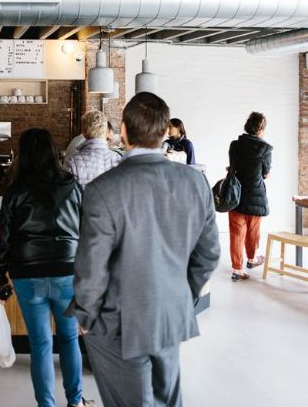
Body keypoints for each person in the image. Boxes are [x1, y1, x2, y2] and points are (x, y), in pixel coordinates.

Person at [70, 93, 220, 407]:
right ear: (166, 132)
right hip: (169, 314)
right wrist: (180, 294)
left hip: (116, 321)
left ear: (122, 131)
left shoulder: (103, 188)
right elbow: (208, 255)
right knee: (165, 398)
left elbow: (92, 265)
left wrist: (86, 314)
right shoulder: (195, 183)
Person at [0, 128, 94, 407]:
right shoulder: (73, 186)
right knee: (70, 339)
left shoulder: (15, 190)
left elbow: (5, 240)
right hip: (66, 272)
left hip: (27, 275)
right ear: (52, 151)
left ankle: (46, 405)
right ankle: (75, 402)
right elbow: (86, 234)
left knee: (41, 346)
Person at [227, 112, 272, 281]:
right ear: (260, 128)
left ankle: (237, 269)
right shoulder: (265, 148)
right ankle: (252, 260)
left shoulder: (235, 145)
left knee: (236, 234)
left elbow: (233, 166)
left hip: (235, 193)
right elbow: (265, 173)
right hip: (255, 195)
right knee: (253, 232)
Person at [64, 110, 121, 187]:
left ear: (83, 132)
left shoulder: (71, 162)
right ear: (106, 131)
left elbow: (68, 196)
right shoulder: (117, 159)